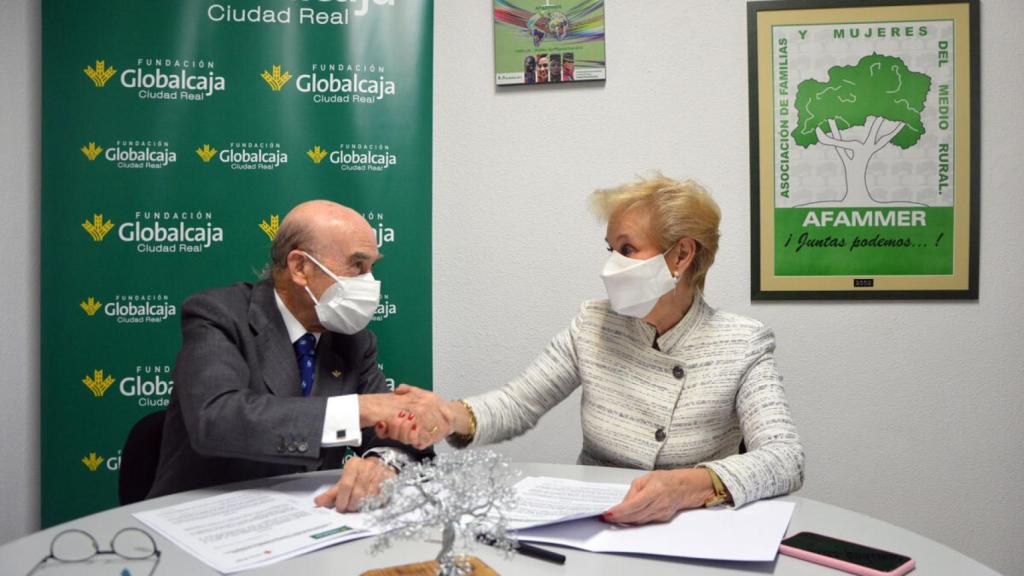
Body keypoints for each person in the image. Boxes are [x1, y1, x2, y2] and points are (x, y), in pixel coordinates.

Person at [383, 175, 804, 525]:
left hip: (695, 527)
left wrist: (686, 487)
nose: (610, 266)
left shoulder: (742, 342)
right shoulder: (594, 322)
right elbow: (518, 403)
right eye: (610, 250)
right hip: (603, 521)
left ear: (681, 255)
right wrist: (450, 415)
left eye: (626, 249)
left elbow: (784, 458)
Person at [149, 200, 443, 511]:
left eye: (372, 267)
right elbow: (217, 417)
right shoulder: (219, 315)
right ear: (300, 267)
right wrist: (358, 409)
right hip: (202, 517)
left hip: (307, 518)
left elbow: (395, 432)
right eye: (357, 265)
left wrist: (383, 461)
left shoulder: (354, 342)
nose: (369, 282)